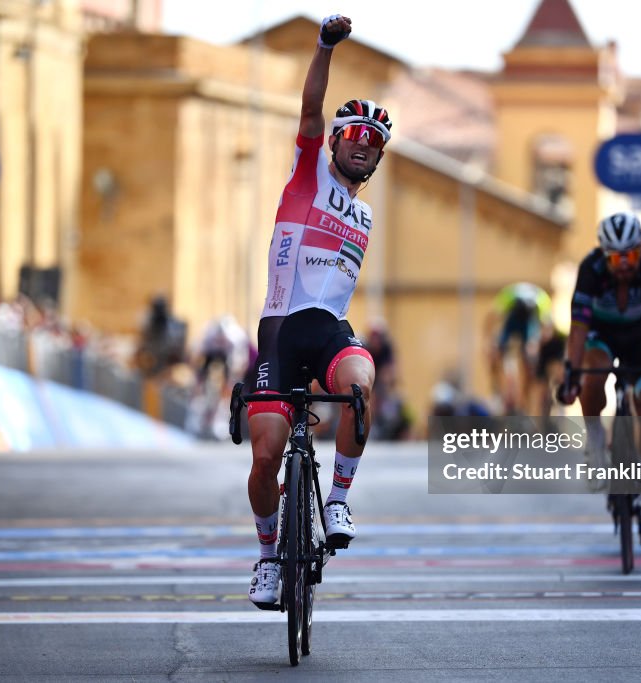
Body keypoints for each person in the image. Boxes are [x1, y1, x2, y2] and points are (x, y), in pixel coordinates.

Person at [245, 14, 391, 609]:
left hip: (327, 332)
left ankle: (337, 500)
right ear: (335, 142)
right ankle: (267, 559)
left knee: (361, 385)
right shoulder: (307, 174)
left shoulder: (366, 216)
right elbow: (310, 110)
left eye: (373, 143)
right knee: (264, 459)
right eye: (354, 136)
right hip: (279, 331)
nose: (362, 146)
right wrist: (324, 47)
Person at [556, 212, 641, 543]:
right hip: (602, 334)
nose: (625, 264)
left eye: (632, 255)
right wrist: (571, 375)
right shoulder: (590, 270)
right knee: (590, 377)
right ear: (603, 254)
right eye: (616, 257)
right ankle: (595, 435)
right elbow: (578, 329)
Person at [484, 282, 552, 415]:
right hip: (516, 317)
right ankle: (500, 386)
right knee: (503, 349)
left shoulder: (539, 302)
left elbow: (545, 328)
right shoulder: (511, 299)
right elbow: (492, 319)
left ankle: (521, 383)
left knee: (526, 352)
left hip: (525, 318)